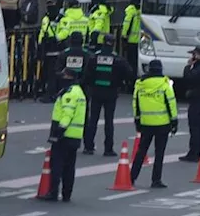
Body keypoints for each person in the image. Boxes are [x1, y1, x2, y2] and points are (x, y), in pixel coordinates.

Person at [39, 68, 87, 202]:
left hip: (65, 135)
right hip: (75, 135)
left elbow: (67, 113)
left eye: (63, 76)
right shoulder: (79, 92)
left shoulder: (70, 93)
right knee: (69, 166)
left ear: (69, 78)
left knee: (57, 164)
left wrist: (59, 131)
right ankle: (67, 194)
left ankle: (53, 193)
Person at [130, 59, 178, 189]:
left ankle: (131, 177)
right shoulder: (164, 84)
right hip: (163, 123)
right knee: (159, 153)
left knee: (141, 151)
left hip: (146, 123)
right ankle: (156, 180)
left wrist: (137, 119)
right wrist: (174, 121)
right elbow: (171, 103)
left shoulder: (140, 84)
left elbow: (136, 104)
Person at [82, 34, 131, 157]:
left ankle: (88, 146)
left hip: (96, 91)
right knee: (109, 121)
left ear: (103, 42)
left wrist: (91, 85)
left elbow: (87, 75)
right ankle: (108, 149)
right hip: (111, 93)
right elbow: (129, 73)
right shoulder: (118, 59)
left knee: (93, 120)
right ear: (113, 43)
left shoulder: (94, 57)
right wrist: (121, 83)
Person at [178, 46, 200, 163]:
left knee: (195, 126)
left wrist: (188, 66)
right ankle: (196, 151)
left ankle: (194, 152)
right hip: (199, 98)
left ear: (199, 55)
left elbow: (189, 78)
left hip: (198, 98)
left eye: (194, 55)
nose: (192, 57)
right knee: (198, 125)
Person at [121, 0, 142, 70]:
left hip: (131, 40)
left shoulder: (131, 9)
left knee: (130, 61)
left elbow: (127, 23)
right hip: (140, 40)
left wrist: (124, 35)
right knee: (136, 61)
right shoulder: (142, 9)